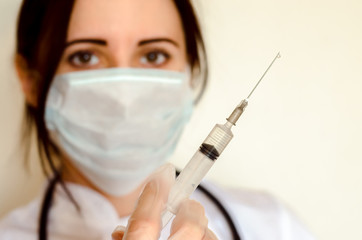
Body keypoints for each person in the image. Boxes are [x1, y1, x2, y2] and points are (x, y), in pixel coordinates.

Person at [0, 0, 315, 239]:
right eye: (85, 57)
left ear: (189, 71)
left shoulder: (273, 226)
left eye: (153, 55)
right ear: (31, 81)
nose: (124, 98)